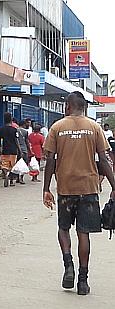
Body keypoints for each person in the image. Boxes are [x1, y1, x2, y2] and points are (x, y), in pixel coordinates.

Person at [43, 91, 115, 296]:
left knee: (63, 228)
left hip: (66, 188)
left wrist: (46, 188)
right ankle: (83, 281)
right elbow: (104, 160)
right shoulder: (95, 127)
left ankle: (68, 265)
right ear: (84, 108)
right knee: (83, 234)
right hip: (89, 189)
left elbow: (50, 160)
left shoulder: (57, 127)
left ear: (67, 106)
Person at [0, 112, 22, 187]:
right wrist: (20, 150)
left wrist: (0, 149)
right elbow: (16, 140)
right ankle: (11, 181)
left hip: (5, 150)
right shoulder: (14, 130)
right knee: (12, 165)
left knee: (4, 164)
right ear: (11, 120)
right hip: (13, 150)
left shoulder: (0, 130)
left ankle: (6, 174)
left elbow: (0, 141)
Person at [16, 120, 32, 184]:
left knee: (17, 164)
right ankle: (21, 178)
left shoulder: (16, 130)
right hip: (24, 149)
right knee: (23, 164)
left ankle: (17, 178)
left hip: (16, 150)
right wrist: (30, 150)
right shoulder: (25, 132)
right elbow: (27, 142)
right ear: (23, 125)